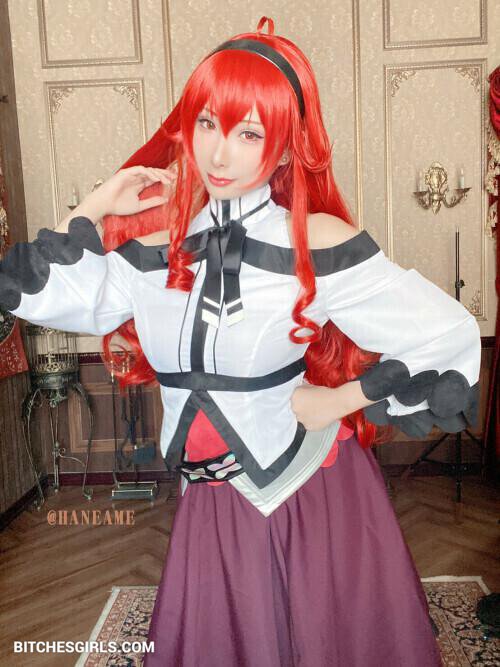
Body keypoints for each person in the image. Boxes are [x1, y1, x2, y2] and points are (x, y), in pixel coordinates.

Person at [0, 17, 480, 666]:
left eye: (248, 133)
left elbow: (446, 335)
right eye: (207, 123)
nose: (219, 154)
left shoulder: (317, 241)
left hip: (308, 493)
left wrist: (337, 401)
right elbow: (31, 290)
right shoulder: (152, 253)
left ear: (283, 150)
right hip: (210, 502)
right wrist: (99, 202)